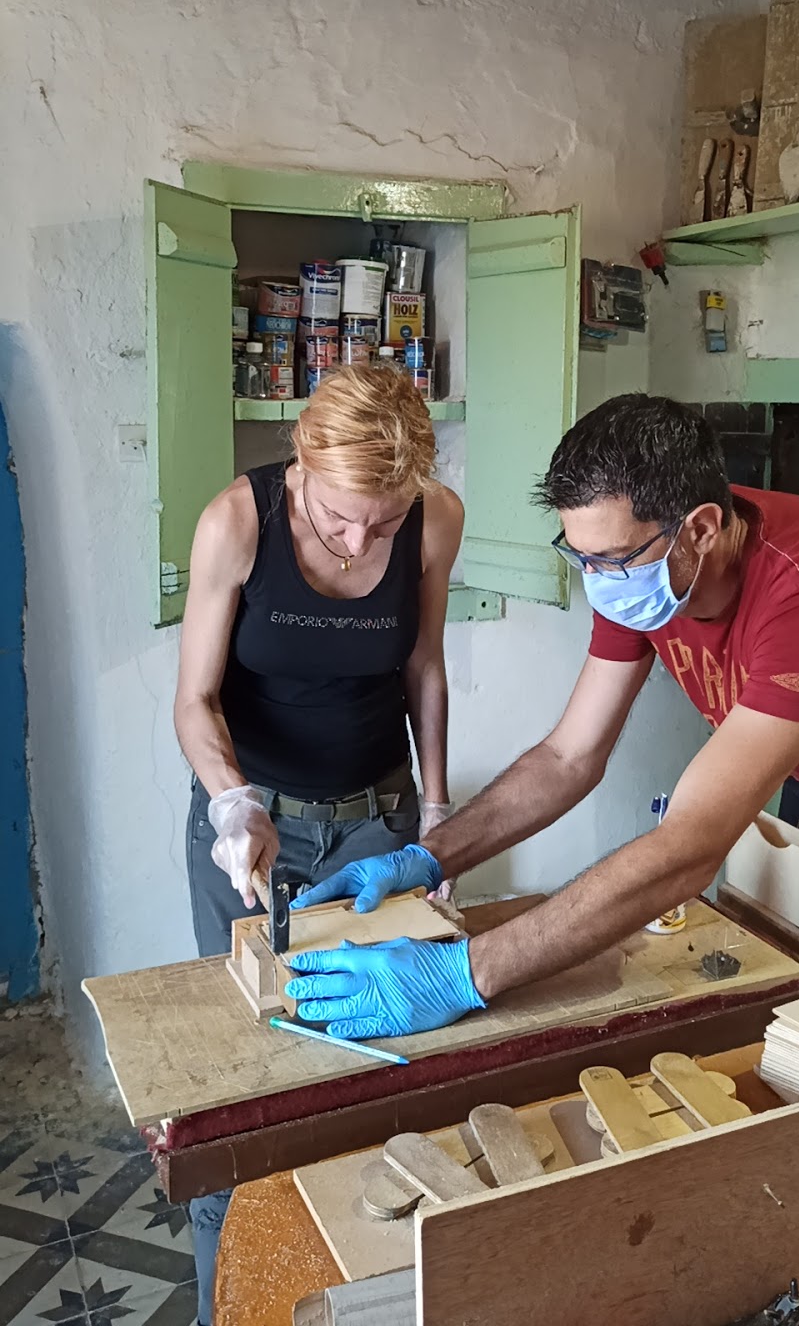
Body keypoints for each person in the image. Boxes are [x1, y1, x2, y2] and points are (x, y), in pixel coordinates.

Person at [282, 392, 799, 1042]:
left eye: (611, 561)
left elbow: (692, 845)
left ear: (701, 530)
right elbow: (567, 757)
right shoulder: (645, 563)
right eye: (581, 557)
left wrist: (467, 972)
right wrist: (428, 857)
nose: (598, 581)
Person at [173, 362, 463, 1326]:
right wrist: (232, 804)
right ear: (300, 462)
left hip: (377, 825)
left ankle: (368, 1294)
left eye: (384, 523)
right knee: (249, 1073)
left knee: (379, 1057)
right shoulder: (237, 522)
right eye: (340, 518)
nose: (358, 542)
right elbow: (194, 700)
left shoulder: (435, 519)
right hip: (251, 830)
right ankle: (231, 1300)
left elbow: (424, 668)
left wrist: (438, 816)